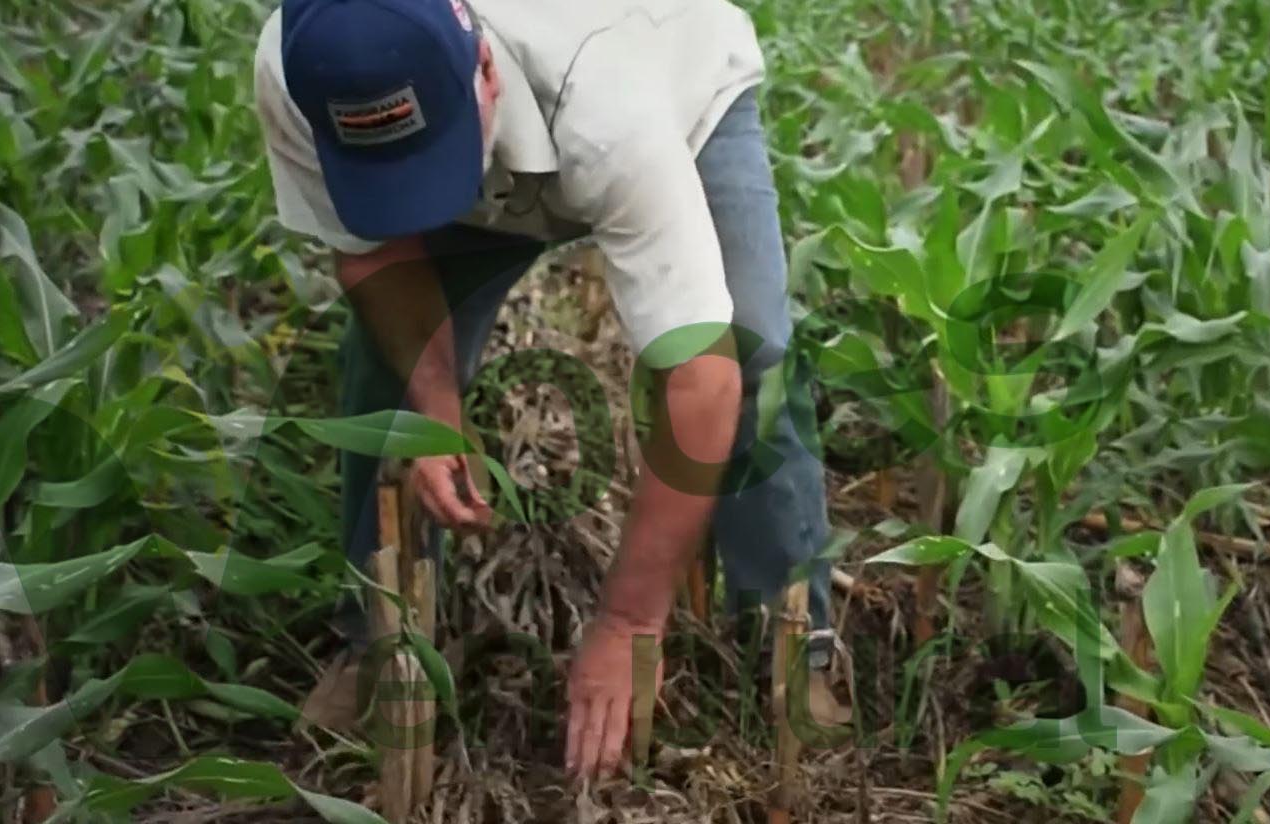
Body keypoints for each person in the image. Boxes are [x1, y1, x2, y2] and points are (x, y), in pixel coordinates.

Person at [253, 0, 835, 783]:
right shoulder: (306, 67)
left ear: (483, 72)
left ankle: (794, 648)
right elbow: (372, 257)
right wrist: (437, 415)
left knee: (754, 354)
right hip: (505, 120)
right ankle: (376, 640)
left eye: (423, 164)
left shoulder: (609, 105)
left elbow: (703, 381)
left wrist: (628, 620)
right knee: (383, 371)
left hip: (669, 83)